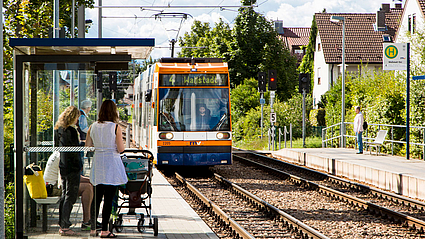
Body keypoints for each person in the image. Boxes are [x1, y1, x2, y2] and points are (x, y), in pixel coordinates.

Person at [85, 100, 127, 238]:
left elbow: (88, 147)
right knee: (108, 199)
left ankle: (92, 229)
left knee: (96, 198)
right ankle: (104, 230)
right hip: (112, 165)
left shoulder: (92, 126)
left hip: (98, 164)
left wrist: (100, 147)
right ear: (114, 112)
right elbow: (121, 149)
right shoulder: (115, 127)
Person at [54, 106, 81, 236]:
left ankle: (62, 224)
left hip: (63, 166)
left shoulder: (58, 129)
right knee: (70, 196)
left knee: (64, 195)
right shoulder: (71, 131)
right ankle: (65, 226)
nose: (77, 120)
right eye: (76, 117)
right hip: (73, 167)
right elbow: (75, 149)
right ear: (72, 117)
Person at [77, 99, 92, 168]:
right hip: (81, 140)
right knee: (81, 157)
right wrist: (91, 131)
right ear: (88, 107)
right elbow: (83, 128)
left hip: (80, 139)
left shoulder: (80, 114)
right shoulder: (82, 116)